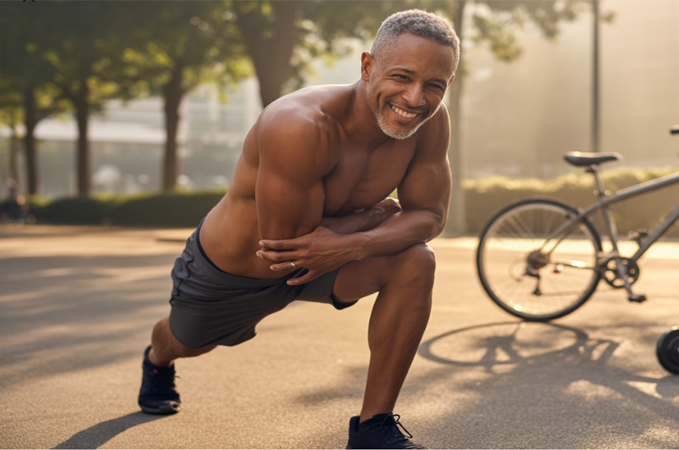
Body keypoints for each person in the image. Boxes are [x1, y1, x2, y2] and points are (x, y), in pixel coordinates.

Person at [138, 9, 458, 449]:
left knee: (416, 262)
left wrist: (355, 243)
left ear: (447, 86)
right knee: (186, 342)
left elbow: (430, 218)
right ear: (367, 67)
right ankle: (157, 360)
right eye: (402, 77)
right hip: (236, 271)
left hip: (331, 260)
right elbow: (285, 248)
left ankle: (373, 429)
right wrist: (372, 217)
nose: (416, 97)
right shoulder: (299, 125)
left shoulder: (430, 124)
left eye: (434, 85)